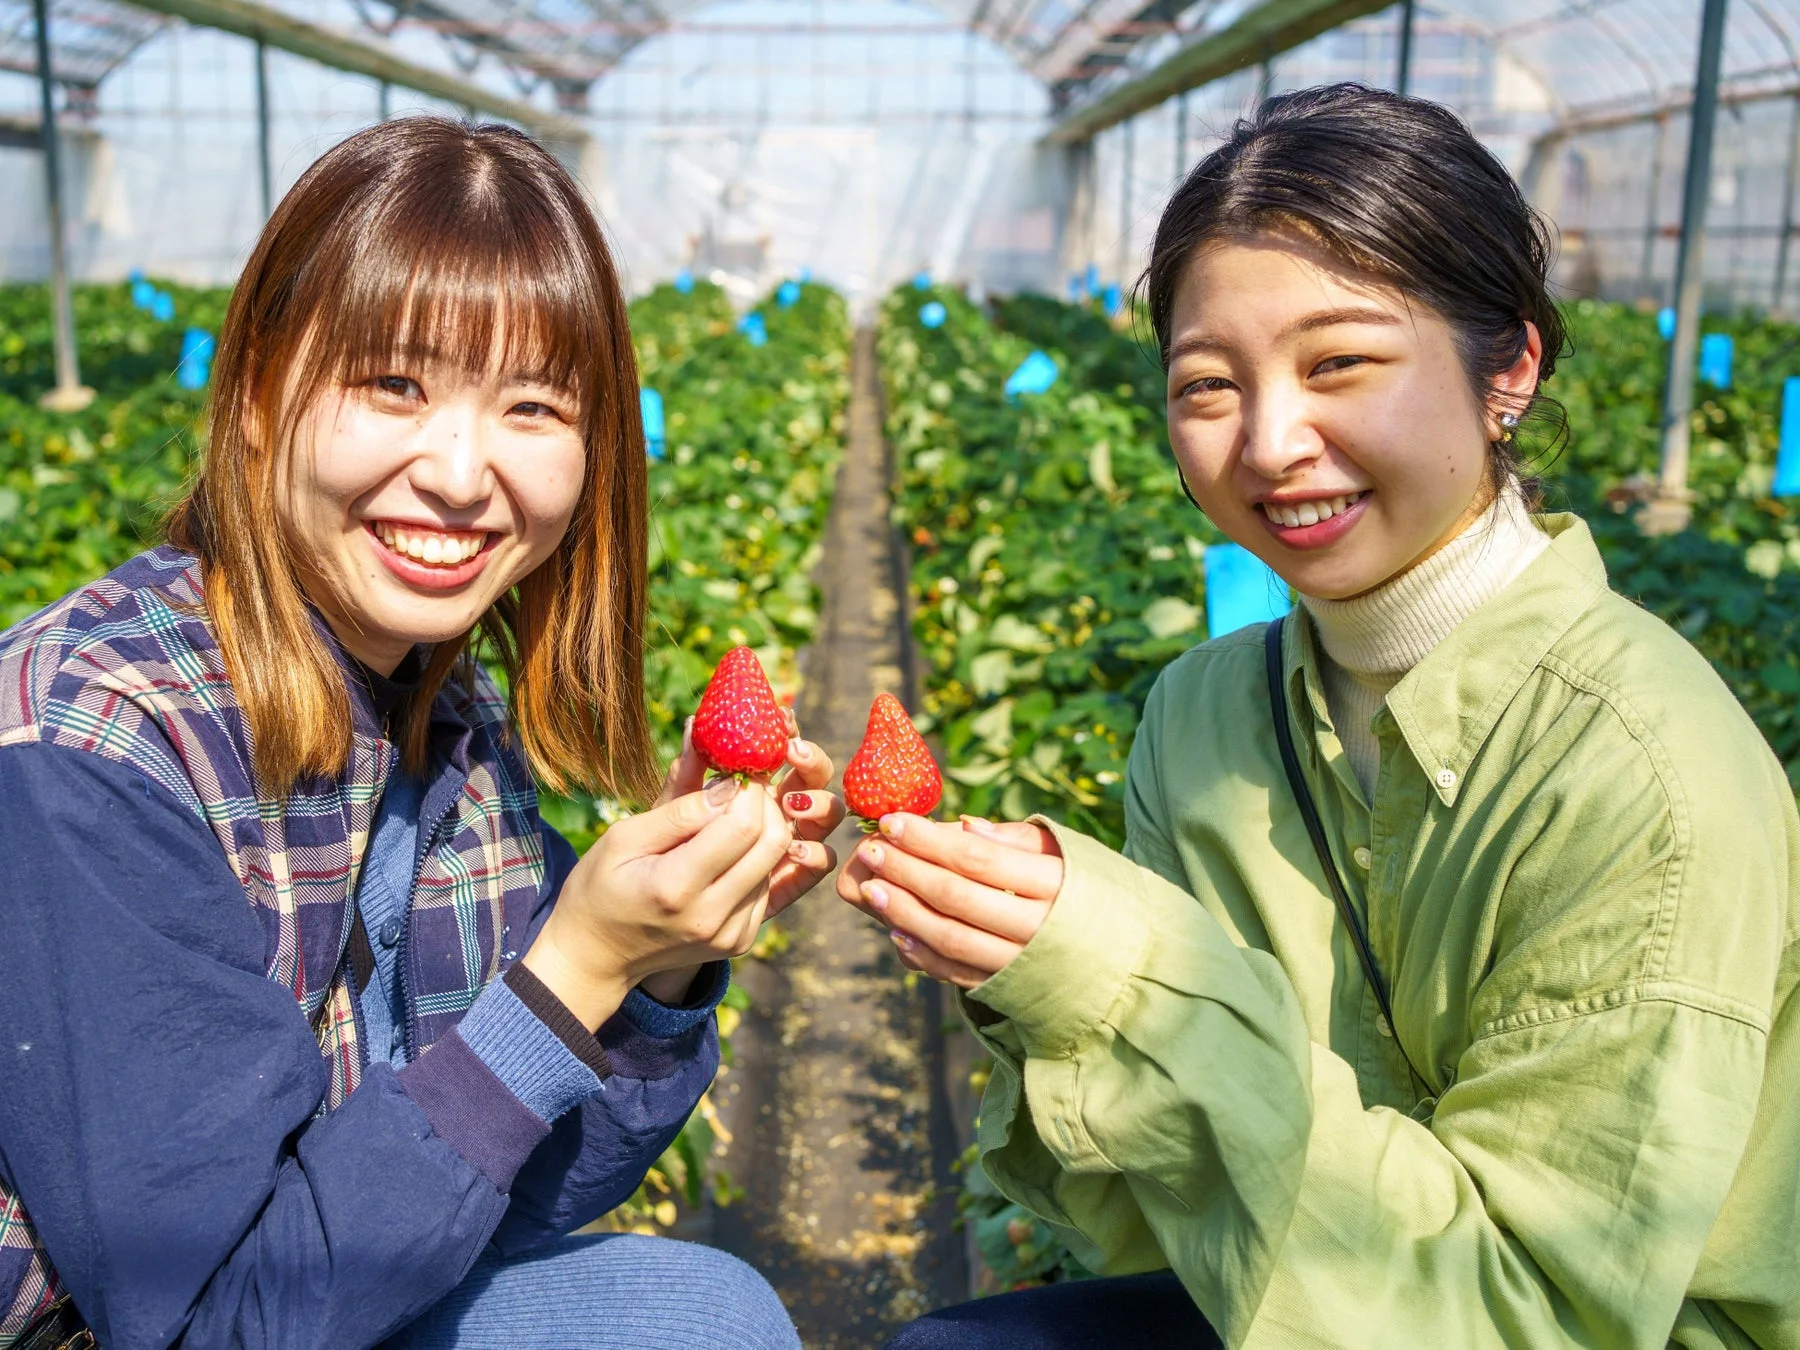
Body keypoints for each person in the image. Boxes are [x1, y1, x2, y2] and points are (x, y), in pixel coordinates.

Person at [853, 85, 1800, 1348]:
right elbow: (1158, 1228)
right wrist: (1036, 977)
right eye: (1207, 384)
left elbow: (1524, 1319)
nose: (1271, 442)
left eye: (1340, 362)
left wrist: (1131, 991)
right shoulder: (1203, 715)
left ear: (1508, 368)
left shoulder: (1643, 774)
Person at [0, 118, 843, 1349]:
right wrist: (574, 970)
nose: (459, 472)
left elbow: (503, 1192)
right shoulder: (92, 751)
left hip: (328, 1292)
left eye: (533, 406)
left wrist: (658, 966)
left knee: (708, 1314)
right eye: (393, 385)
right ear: (250, 397)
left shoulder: (445, 708)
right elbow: (207, 1323)